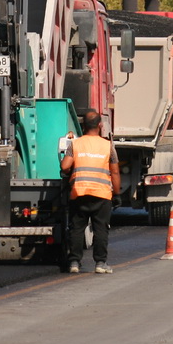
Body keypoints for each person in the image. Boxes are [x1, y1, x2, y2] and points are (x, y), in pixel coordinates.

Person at [61, 110, 120, 274]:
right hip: (101, 194)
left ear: (83, 126)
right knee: (101, 228)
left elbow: (65, 167)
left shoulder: (75, 144)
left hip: (79, 192)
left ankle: (74, 262)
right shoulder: (108, 146)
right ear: (100, 125)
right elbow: (114, 172)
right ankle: (100, 263)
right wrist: (117, 194)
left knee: (77, 228)